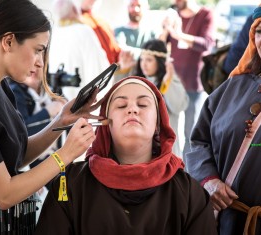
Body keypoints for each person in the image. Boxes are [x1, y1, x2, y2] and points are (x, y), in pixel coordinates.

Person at [0, 0, 101, 233]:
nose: (40, 62)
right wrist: (65, 154)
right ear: (8, 41)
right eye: (38, 50)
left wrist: (60, 121)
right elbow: (4, 194)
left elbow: (14, 157)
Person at [34, 76, 217, 235]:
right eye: (121, 105)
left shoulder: (189, 193)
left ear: (158, 123)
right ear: (105, 123)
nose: (132, 109)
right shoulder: (72, 183)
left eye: (143, 104)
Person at [186, 0, 261, 234]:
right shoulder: (233, 87)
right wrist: (208, 180)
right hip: (222, 223)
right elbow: (199, 141)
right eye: (259, 30)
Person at [160, 0, 215, 158]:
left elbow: (206, 44)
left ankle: (187, 176)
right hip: (173, 84)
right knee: (169, 131)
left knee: (192, 135)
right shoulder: (173, 15)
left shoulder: (206, 15)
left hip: (194, 84)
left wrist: (179, 35)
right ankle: (173, 169)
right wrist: (166, 29)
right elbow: (159, 44)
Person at [115, 39, 189, 155]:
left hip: (163, 146)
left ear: (160, 62)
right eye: (142, 59)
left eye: (149, 60)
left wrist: (167, 83)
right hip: (140, 146)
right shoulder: (136, 79)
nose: (143, 64)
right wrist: (124, 71)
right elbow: (118, 100)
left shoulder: (170, 80)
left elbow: (179, 106)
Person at [50, 0, 110, 101]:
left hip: (60, 100)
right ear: (74, 10)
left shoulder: (53, 33)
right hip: (82, 100)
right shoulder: (83, 30)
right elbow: (98, 66)